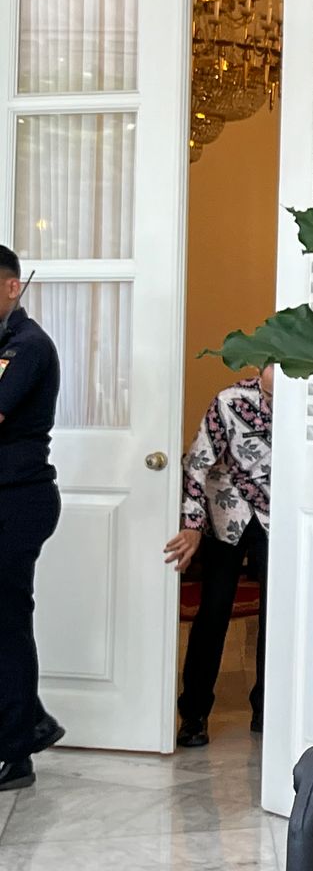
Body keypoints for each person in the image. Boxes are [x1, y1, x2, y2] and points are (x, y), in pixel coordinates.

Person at [162, 366, 275, 747]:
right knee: (213, 610)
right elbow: (196, 465)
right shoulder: (230, 402)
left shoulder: (307, 403)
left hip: (277, 514)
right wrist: (192, 524)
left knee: (277, 616)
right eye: (269, 395)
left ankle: (267, 709)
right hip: (226, 510)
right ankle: (194, 714)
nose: (273, 403)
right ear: (258, 376)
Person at [0, 245, 63, 792]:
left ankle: (17, 748)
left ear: (12, 287)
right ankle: (30, 721)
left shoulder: (28, 345)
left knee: (7, 621)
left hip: (17, 500)